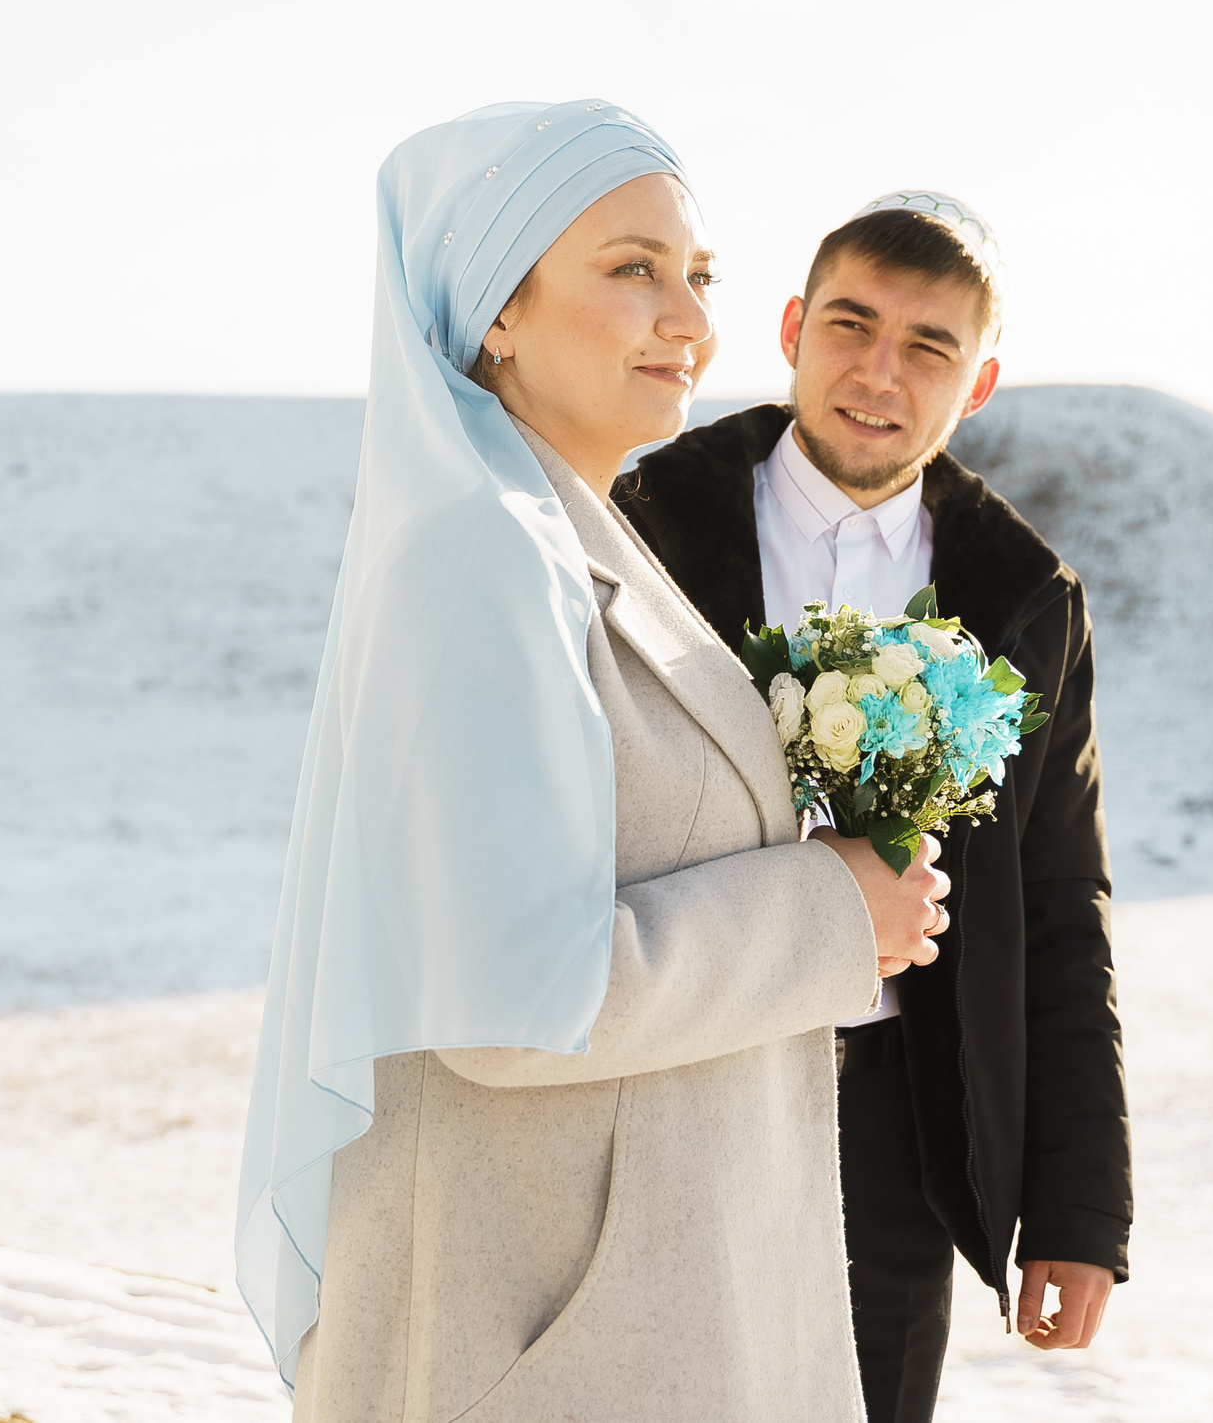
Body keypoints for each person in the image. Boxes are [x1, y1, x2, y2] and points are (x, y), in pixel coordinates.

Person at [236, 104, 953, 1422]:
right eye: (633, 268)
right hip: (552, 1346)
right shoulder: (482, 552)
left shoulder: (566, 531)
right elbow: (511, 996)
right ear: (496, 311)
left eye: (700, 275)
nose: (688, 318)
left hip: (635, 1323)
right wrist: (833, 908)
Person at [614, 192, 1132, 1423]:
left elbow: (1060, 901)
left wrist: (1076, 1208)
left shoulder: (1024, 598)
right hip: (672, 1071)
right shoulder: (642, 524)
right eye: (851, 324)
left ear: (980, 384)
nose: (878, 372)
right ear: (792, 327)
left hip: (899, 1119)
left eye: (928, 347)